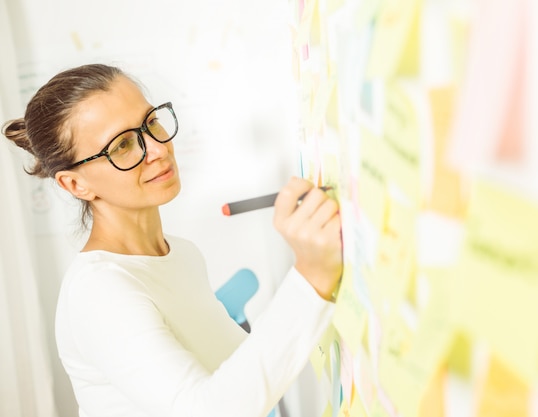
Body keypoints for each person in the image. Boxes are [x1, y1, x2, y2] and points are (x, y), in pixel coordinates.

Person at [2, 64, 343, 417]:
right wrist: (311, 277)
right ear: (75, 185)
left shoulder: (180, 253)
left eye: (151, 122)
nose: (157, 149)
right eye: (122, 145)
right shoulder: (98, 291)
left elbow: (228, 368)